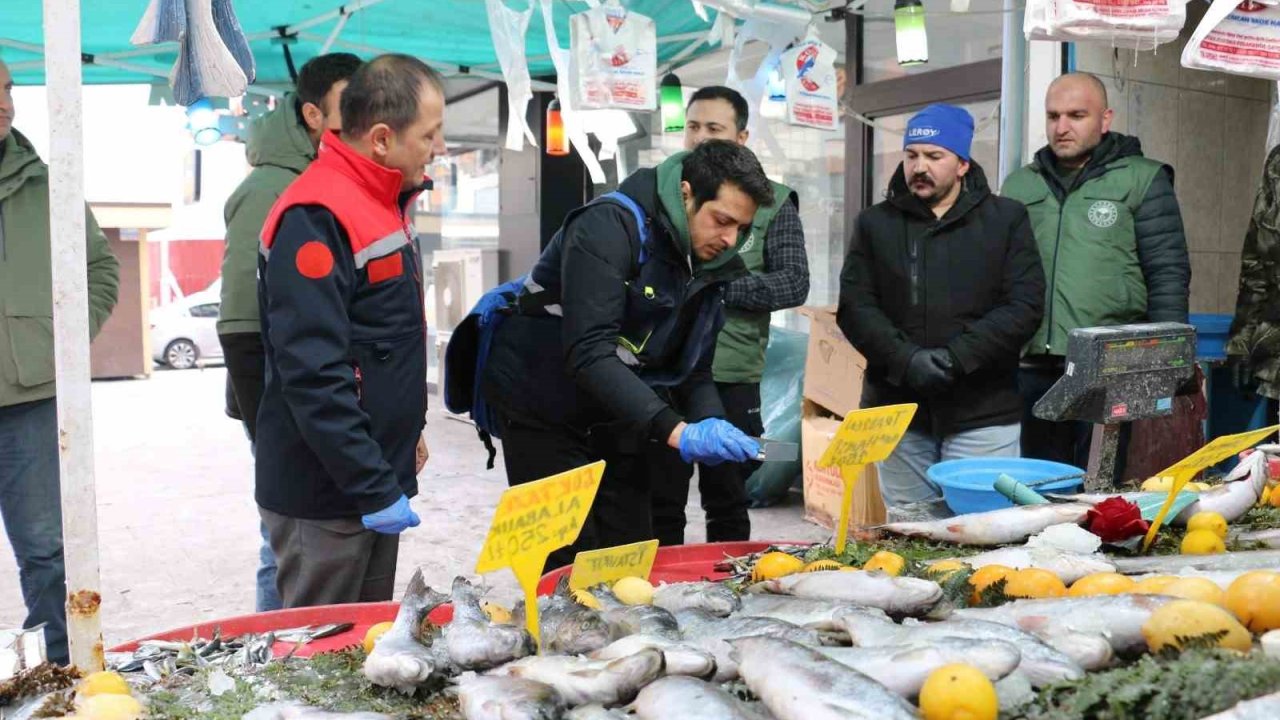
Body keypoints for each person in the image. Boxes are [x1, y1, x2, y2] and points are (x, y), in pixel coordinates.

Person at [482, 140, 775, 569]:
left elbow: (694, 368)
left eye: (741, 228)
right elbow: (589, 351)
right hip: (541, 404)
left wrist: (710, 419)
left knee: (628, 552)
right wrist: (676, 431)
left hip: (617, 408)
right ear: (687, 195)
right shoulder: (607, 226)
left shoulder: (707, 263)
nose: (730, 240)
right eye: (722, 221)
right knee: (565, 560)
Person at [255, 54, 443, 608]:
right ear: (382, 138)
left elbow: (384, 343)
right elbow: (313, 374)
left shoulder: (384, 203)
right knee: (320, 647)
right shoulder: (316, 215)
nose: (437, 147)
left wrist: (407, 433)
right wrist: (372, 484)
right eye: (429, 134)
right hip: (327, 495)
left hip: (371, 478)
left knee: (366, 641)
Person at [837, 104, 1044, 519]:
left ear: (963, 163)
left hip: (983, 409)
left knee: (984, 525)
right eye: (912, 155)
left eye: (934, 156)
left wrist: (957, 357)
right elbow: (856, 308)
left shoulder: (1005, 219)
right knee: (910, 525)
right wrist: (906, 359)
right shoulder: (875, 224)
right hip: (898, 408)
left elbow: (1024, 306)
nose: (919, 167)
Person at [217, 52, 362, 614]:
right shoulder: (274, 187)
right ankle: (275, 647)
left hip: (318, 398)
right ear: (312, 115)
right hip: (279, 400)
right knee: (284, 537)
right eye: (350, 107)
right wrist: (267, 421)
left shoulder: (333, 177)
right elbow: (240, 320)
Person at [1003, 72, 1190, 469]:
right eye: (1053, 116)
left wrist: (1167, 360)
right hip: (1032, 364)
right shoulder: (1020, 185)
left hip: (1112, 362)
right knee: (1039, 482)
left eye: (1076, 115)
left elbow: (1168, 273)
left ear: (1105, 119)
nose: (1061, 127)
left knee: (1101, 481)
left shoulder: (1142, 179)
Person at [649, 86, 809, 545]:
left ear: (741, 137)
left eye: (714, 128)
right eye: (692, 127)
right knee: (661, 497)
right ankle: (661, 581)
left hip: (733, 373)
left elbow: (794, 282)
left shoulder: (772, 202)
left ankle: (730, 579)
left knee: (729, 496)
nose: (700, 137)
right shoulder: (661, 195)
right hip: (664, 371)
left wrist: (715, 288)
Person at [0, 58, 120, 663]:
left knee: (47, 552)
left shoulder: (51, 184)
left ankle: (56, 674)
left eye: (6, 88)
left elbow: (99, 269)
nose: (3, 101)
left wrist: (62, 341)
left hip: (31, 400)